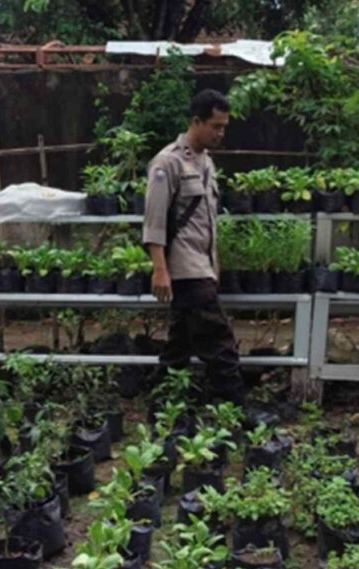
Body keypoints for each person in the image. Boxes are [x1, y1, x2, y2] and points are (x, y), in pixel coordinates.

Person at [142, 89, 247, 405]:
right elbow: (154, 220)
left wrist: (215, 263)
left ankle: (162, 404)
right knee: (219, 340)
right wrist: (160, 269)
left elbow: (207, 222)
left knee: (181, 343)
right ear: (196, 121)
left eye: (224, 126)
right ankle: (235, 408)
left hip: (202, 265)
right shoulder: (167, 162)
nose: (221, 133)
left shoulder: (206, 163)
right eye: (215, 126)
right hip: (184, 268)